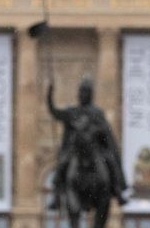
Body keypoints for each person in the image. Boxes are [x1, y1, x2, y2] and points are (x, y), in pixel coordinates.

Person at [47, 77, 128, 208]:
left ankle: (118, 192)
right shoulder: (72, 112)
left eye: (85, 92)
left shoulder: (97, 113)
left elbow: (105, 131)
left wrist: (96, 131)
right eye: (81, 92)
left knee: (111, 162)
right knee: (61, 163)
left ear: (90, 95)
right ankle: (56, 197)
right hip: (75, 150)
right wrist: (49, 95)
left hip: (95, 149)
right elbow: (54, 112)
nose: (82, 95)